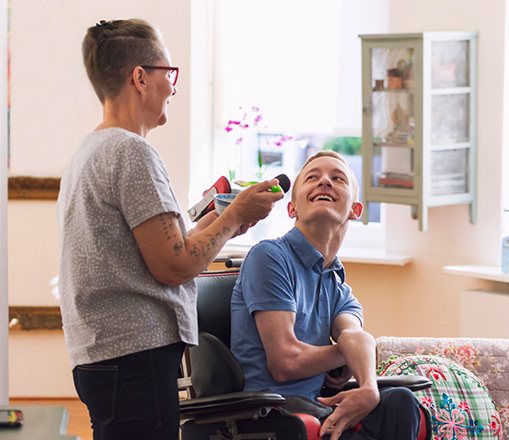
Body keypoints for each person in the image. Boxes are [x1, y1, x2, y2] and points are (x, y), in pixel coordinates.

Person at [56, 19, 283, 440]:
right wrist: (234, 215)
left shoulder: (89, 152)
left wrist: (222, 224)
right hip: (135, 359)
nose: (174, 88)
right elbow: (175, 266)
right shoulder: (131, 152)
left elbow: (152, 252)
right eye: (169, 74)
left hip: (105, 357)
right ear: (140, 78)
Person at [231, 151, 422, 440]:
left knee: (401, 402)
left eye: (337, 178)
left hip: (315, 408)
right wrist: (346, 353)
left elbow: (356, 335)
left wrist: (368, 387)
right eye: (312, 177)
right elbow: (285, 362)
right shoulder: (269, 256)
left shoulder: (335, 282)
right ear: (292, 208)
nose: (324, 182)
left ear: (355, 210)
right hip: (271, 414)